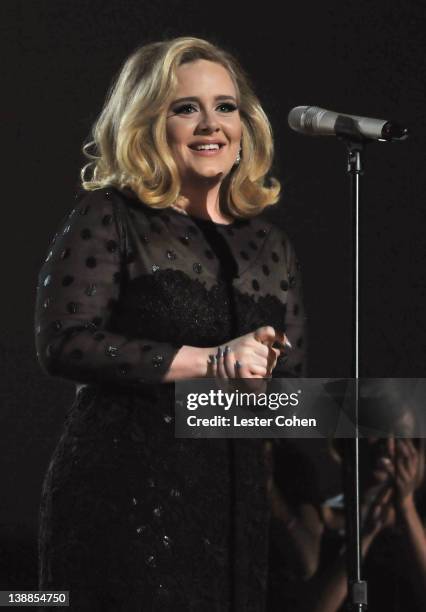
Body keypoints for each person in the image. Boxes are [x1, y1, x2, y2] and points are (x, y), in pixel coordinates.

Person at [34, 36, 306, 611]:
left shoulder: (271, 246)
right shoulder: (111, 215)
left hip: (235, 508)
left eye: (225, 107)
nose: (211, 124)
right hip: (127, 500)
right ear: (150, 125)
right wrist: (210, 362)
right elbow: (63, 342)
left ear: (245, 125)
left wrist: (276, 385)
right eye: (186, 108)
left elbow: (291, 392)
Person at [266, 383, 426, 612]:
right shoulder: (323, 515)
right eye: (376, 431)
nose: (388, 447)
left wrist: (406, 506)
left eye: (400, 436)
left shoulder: (417, 527)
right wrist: (364, 536)